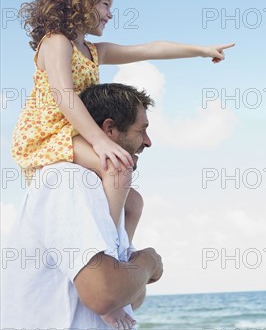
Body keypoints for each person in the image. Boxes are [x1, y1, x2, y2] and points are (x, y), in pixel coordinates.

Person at [10, 0, 234, 324]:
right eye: (104, 4)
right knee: (117, 167)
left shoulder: (94, 51)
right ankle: (110, 273)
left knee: (134, 201)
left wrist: (199, 49)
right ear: (79, 1)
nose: (110, 13)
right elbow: (64, 95)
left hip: (79, 132)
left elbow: (148, 49)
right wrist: (100, 142)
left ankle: (121, 258)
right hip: (51, 135)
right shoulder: (56, 42)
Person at [1, 83, 163, 329]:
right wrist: (149, 262)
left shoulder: (104, 191)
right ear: (109, 128)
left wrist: (131, 275)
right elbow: (104, 294)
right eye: (141, 130)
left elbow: (131, 297)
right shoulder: (68, 180)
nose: (148, 142)